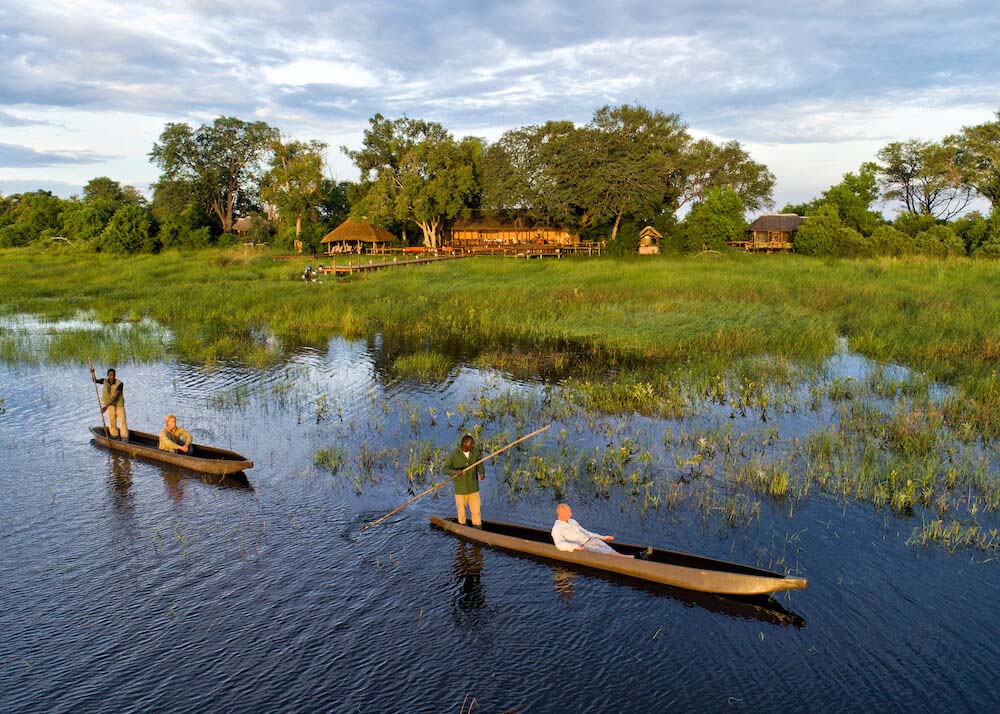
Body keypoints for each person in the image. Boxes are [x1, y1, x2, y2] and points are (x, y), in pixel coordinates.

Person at [551, 503, 633, 558]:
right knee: (604, 551)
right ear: (561, 514)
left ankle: (621, 556)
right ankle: (626, 558)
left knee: (607, 548)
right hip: (583, 546)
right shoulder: (557, 528)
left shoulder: (573, 521)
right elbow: (559, 544)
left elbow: (586, 532)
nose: (571, 514)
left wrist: (602, 537)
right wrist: (575, 547)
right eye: (569, 512)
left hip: (591, 540)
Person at [443, 434, 485, 527]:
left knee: (476, 510)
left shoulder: (476, 452)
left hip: (473, 487)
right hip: (461, 489)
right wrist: (455, 472)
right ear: (464, 445)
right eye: (471, 444)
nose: (473, 446)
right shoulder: (454, 455)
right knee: (461, 511)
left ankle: (477, 527)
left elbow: (479, 463)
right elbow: (445, 468)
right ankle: (462, 526)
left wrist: (481, 473)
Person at [90, 366, 128, 441]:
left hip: (119, 406)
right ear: (108, 375)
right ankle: (115, 437)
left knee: (123, 423)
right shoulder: (105, 381)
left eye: (113, 375)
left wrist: (105, 407)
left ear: (115, 375)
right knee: (112, 423)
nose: (112, 377)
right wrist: (93, 373)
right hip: (110, 406)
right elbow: (95, 381)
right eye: (110, 375)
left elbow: (115, 397)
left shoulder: (120, 384)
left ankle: (125, 438)